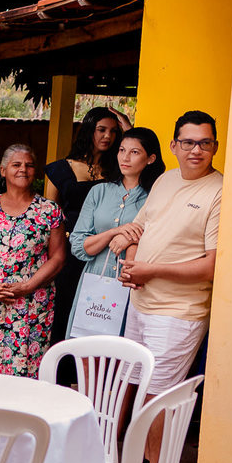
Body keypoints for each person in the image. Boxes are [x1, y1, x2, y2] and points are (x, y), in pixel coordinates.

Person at [115, 111, 219, 463]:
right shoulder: (164, 179)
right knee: (137, 385)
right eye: (188, 142)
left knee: (158, 395)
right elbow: (141, 227)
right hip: (141, 301)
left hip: (178, 311)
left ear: (215, 147)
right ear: (174, 146)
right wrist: (132, 264)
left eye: (205, 143)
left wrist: (150, 270)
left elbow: (210, 265)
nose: (196, 150)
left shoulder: (220, 191)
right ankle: (140, 462)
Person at [0, 143, 66, 378]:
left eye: (29, 165)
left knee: (28, 366)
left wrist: (27, 286)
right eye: (16, 164)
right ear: (3, 170)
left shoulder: (49, 210)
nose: (23, 169)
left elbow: (58, 257)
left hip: (32, 302)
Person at [45, 107, 130, 362]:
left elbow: (147, 168)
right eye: (101, 130)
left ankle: (92, 378)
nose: (108, 136)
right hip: (71, 250)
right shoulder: (59, 169)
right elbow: (51, 217)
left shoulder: (118, 171)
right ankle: (59, 375)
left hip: (108, 251)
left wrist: (129, 129)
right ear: (88, 130)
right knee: (65, 311)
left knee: (100, 313)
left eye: (114, 132)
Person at [65, 127, 165, 337]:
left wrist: (128, 240)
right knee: (87, 349)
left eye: (135, 152)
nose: (125, 157)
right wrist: (115, 232)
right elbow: (78, 245)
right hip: (95, 279)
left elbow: (160, 241)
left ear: (151, 158)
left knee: (122, 353)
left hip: (134, 284)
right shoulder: (99, 192)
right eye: (121, 150)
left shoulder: (157, 197)